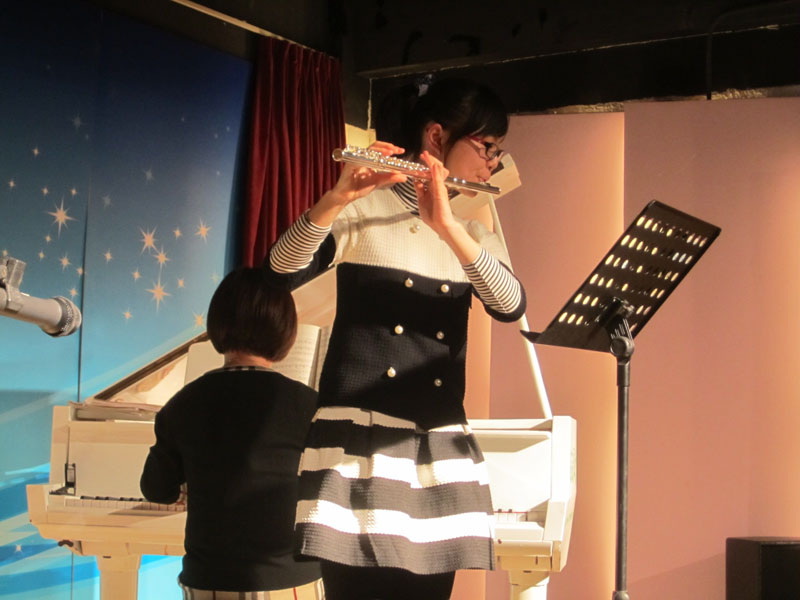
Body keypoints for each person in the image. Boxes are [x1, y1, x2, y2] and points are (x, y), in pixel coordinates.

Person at [264, 77, 527, 600]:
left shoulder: (472, 235)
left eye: (498, 151)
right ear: (436, 136)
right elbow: (279, 270)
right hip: (356, 446)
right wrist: (335, 199)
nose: (493, 164)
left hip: (434, 446)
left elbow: (510, 305)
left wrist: (447, 226)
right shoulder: (363, 211)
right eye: (487, 147)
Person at [140, 267, 323, 600]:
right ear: (285, 331)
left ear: (218, 324)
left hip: (209, 580)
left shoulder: (182, 404)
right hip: (293, 579)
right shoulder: (310, 405)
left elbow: (156, 490)